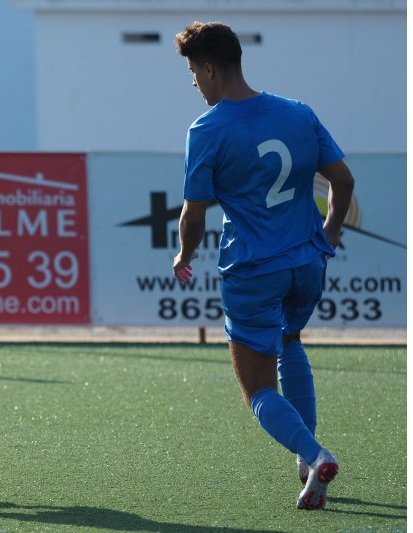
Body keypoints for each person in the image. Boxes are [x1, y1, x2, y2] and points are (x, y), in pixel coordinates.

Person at [172, 22, 355, 510]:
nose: (193, 82)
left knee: (256, 389)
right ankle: (306, 460)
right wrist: (329, 234)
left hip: (253, 269)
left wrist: (184, 256)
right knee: (290, 341)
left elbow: (194, 212)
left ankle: (314, 454)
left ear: (209, 68)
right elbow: (344, 182)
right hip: (307, 264)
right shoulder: (298, 113)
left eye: (193, 71)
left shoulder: (207, 129)